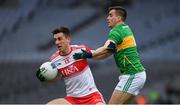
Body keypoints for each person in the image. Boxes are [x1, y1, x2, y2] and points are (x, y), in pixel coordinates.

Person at [73, 6, 146, 104]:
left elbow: (107, 47)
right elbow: (108, 52)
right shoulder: (125, 28)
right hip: (135, 74)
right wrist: (90, 56)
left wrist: (89, 53)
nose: (107, 18)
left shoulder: (117, 31)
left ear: (119, 18)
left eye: (111, 15)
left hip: (132, 75)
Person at [36, 27, 105, 105]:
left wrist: (108, 50)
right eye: (55, 40)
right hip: (72, 99)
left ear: (68, 39)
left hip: (91, 96)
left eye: (59, 39)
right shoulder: (54, 59)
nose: (56, 42)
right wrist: (46, 77)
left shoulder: (80, 50)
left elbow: (98, 56)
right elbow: (57, 77)